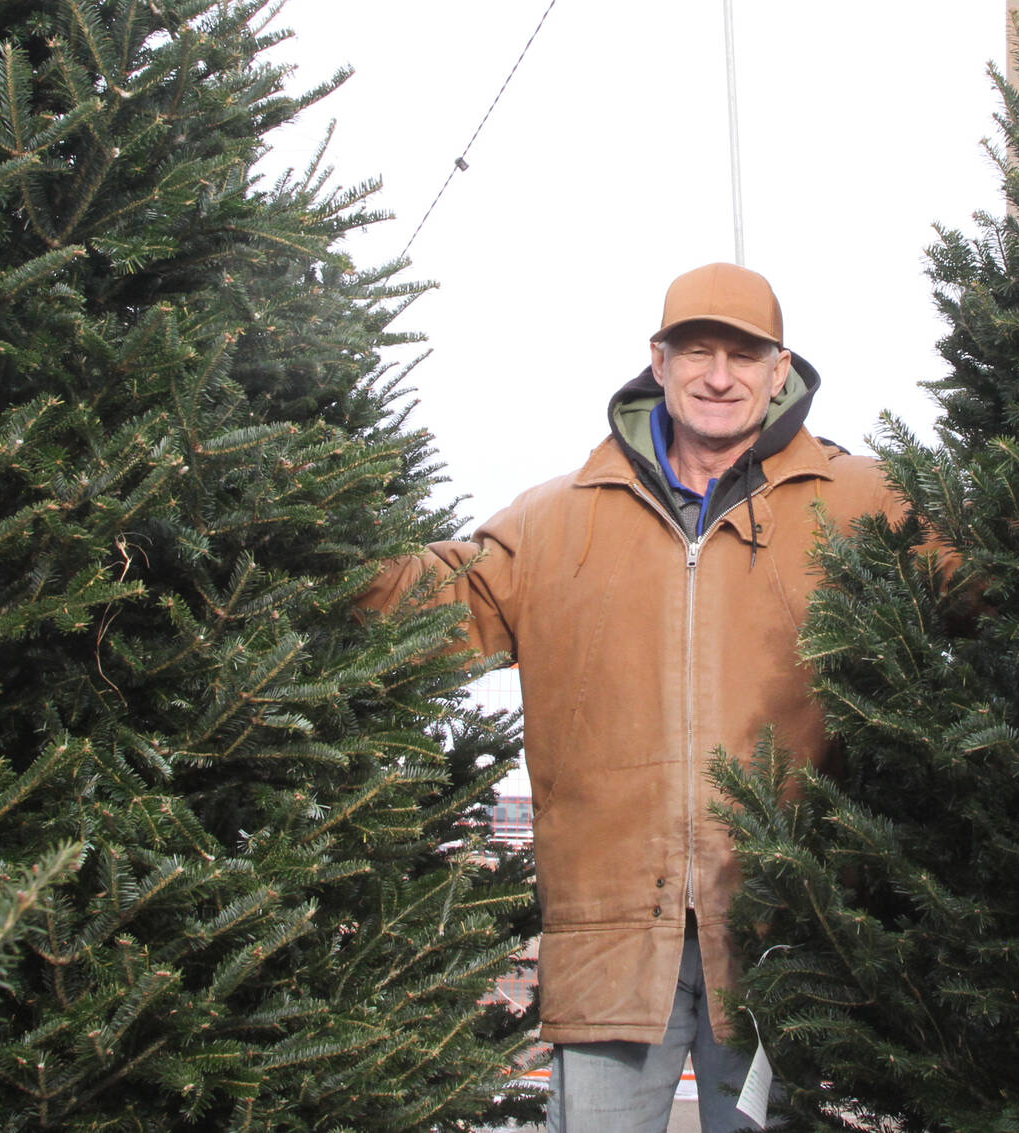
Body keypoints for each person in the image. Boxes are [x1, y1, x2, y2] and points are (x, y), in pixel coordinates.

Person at [356, 262, 907, 1132]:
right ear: (658, 360)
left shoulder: (861, 503)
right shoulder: (556, 520)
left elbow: (1001, 566)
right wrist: (301, 523)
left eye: (742, 353)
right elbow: (426, 602)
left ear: (780, 368)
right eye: (696, 350)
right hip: (609, 946)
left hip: (786, 939)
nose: (718, 375)